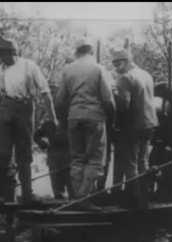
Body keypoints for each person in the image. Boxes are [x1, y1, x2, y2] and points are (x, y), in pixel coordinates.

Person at [0, 37, 58, 205]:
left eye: (5, 53)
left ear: (14, 52)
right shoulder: (1, 70)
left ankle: (27, 194)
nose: (2, 57)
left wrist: (53, 117)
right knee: (3, 154)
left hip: (25, 109)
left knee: (24, 153)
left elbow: (45, 92)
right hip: (6, 110)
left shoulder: (29, 66)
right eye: (0, 54)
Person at [55, 37, 115, 211]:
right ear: (91, 51)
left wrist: (64, 121)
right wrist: (112, 119)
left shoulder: (67, 70)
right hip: (95, 117)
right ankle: (83, 198)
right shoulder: (98, 69)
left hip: (73, 118)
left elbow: (59, 101)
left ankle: (76, 197)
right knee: (95, 159)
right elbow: (108, 99)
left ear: (77, 52)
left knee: (77, 159)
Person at [111, 47, 159, 209]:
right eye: (114, 64)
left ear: (126, 61)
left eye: (118, 63)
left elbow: (123, 105)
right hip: (149, 123)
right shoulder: (146, 74)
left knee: (130, 162)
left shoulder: (125, 78)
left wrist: (113, 98)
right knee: (143, 160)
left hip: (132, 125)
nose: (116, 67)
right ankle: (144, 197)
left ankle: (134, 198)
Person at [34, 119, 73, 199]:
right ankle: (59, 196)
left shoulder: (71, 120)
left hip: (68, 159)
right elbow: (36, 135)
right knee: (57, 189)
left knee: (72, 188)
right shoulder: (49, 124)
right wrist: (42, 143)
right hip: (54, 159)